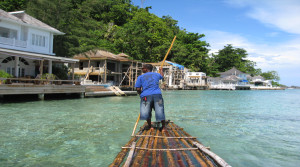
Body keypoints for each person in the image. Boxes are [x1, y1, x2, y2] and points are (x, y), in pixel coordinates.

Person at [135, 64, 166, 131]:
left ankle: (150, 127)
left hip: (146, 96)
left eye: (142, 68)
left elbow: (138, 88)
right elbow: (162, 76)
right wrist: (161, 70)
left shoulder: (140, 77)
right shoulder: (157, 75)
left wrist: (141, 95)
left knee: (146, 111)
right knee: (160, 110)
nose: (142, 69)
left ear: (146, 69)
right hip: (157, 95)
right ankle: (163, 127)